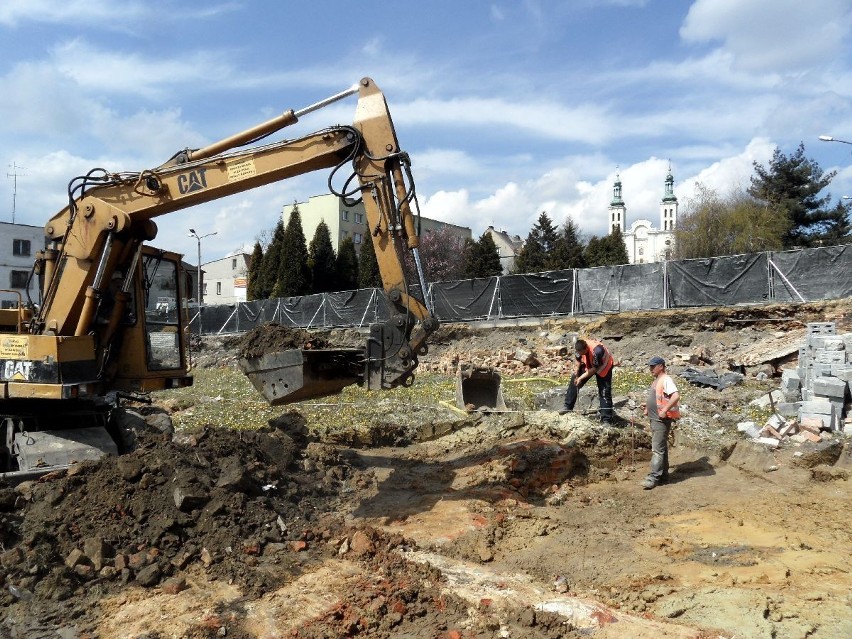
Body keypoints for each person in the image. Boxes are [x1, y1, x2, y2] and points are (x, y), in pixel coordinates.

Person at [641, 356, 680, 490]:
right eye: (650, 366)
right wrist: (647, 407)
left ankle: (653, 477)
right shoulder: (656, 381)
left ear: (661, 366)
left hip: (661, 420)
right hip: (655, 418)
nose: (650, 369)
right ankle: (663, 476)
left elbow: (675, 396)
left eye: (653, 366)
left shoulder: (666, 379)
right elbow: (657, 398)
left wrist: (664, 410)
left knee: (657, 449)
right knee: (661, 448)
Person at [562, 338, 614, 423]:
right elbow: (578, 360)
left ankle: (606, 419)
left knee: (604, 392)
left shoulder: (597, 351)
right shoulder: (579, 347)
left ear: (586, 349)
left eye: (581, 353)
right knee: (574, 380)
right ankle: (567, 407)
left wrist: (581, 378)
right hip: (589, 362)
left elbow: (594, 369)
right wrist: (577, 373)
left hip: (604, 366)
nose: (579, 354)